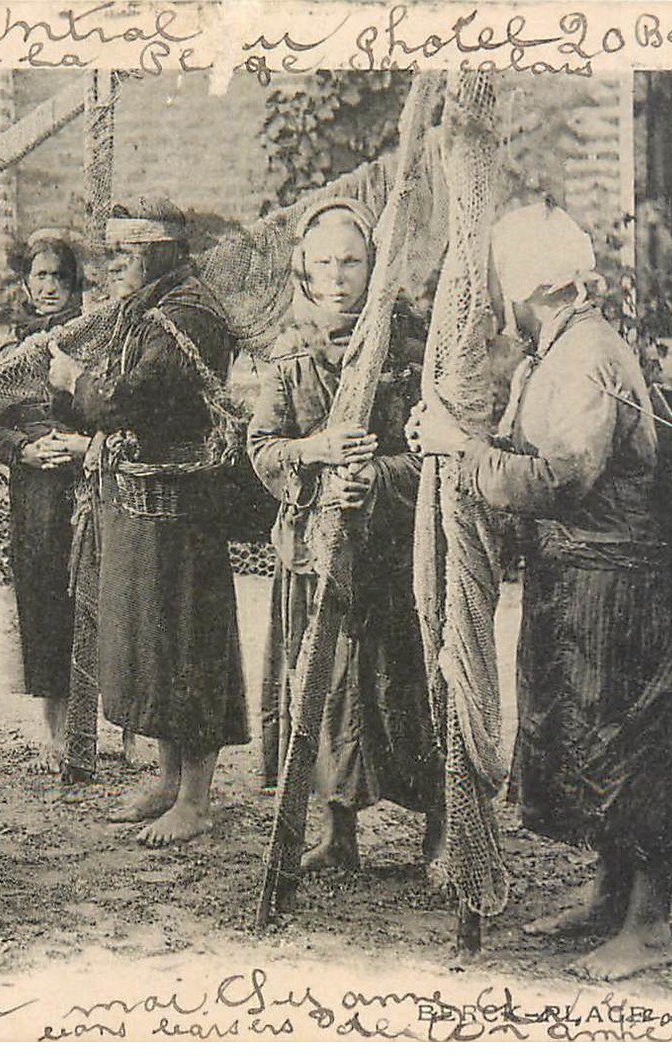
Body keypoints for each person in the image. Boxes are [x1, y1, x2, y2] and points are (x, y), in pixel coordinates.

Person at [406, 203, 672, 980]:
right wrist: (458, 431)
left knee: (634, 746)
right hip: (580, 582)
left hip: (622, 587)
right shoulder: (554, 351)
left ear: (530, 288)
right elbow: (526, 447)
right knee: (592, 744)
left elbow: (562, 476)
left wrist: (463, 449)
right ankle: (607, 895)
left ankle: (648, 924)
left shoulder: (586, 355)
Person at [46, 196, 248, 846]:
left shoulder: (187, 316)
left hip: (183, 509)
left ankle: (195, 798)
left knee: (187, 647)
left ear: (159, 251)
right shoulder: (148, 311)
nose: (111, 268)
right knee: (154, 649)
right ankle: (166, 781)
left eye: (124, 254)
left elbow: (123, 398)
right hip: (144, 503)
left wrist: (74, 378)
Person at [249, 200, 441, 872]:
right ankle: (338, 833)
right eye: (324, 262)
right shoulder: (288, 354)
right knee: (323, 688)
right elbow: (263, 450)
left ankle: (439, 831)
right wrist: (319, 451)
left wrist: (379, 478)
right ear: (302, 265)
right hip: (317, 553)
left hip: (391, 556)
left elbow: (432, 452)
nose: (338, 277)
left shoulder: (408, 350)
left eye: (352, 261)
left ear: (374, 266)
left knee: (404, 687)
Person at [0, 232, 93, 772]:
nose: (49, 288)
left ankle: (116, 727)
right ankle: (56, 731)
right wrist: (23, 450)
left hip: (86, 487)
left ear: (75, 285)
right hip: (35, 496)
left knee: (96, 600)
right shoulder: (9, 353)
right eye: (40, 276)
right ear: (26, 282)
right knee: (44, 602)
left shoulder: (94, 343)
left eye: (60, 277)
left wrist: (77, 447)